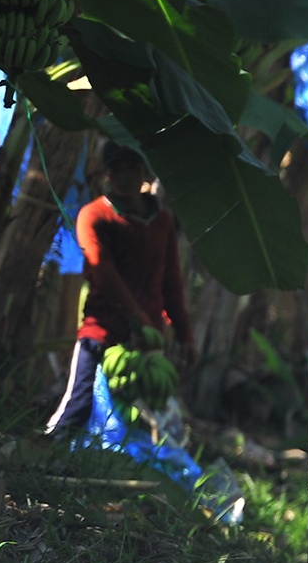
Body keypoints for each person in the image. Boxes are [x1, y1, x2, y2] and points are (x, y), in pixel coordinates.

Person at [44, 142, 195, 437]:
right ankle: (48, 450)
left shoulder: (162, 221)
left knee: (138, 416)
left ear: (145, 173)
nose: (126, 177)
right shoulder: (94, 215)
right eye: (117, 170)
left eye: (133, 168)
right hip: (103, 329)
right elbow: (102, 271)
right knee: (79, 403)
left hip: (147, 337)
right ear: (106, 175)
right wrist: (136, 317)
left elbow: (171, 281)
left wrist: (183, 333)